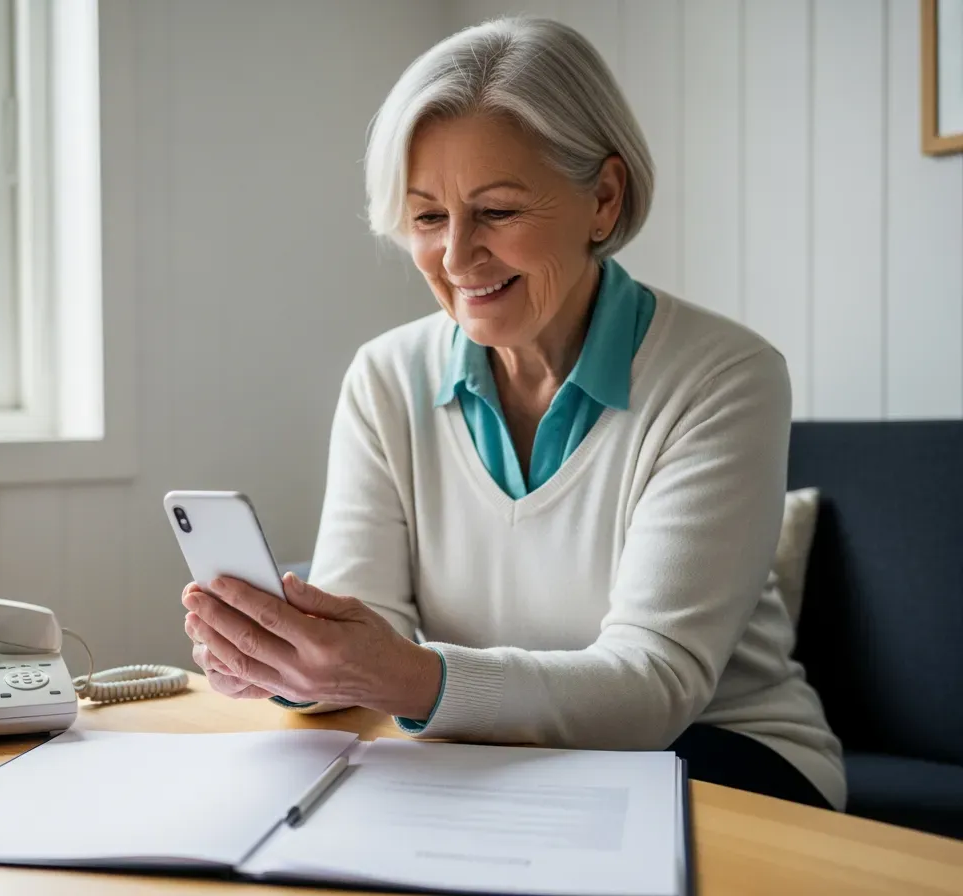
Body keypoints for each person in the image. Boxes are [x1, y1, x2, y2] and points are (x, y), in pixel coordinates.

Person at [180, 16, 844, 812]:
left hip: (719, 746)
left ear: (603, 197)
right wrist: (288, 664)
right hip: (482, 750)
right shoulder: (385, 378)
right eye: (428, 219)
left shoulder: (726, 376)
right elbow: (370, 638)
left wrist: (405, 673)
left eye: (495, 212)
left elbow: (655, 687)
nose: (458, 258)